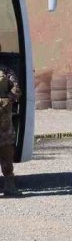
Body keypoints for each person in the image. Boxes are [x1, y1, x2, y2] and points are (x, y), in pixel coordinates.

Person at [0, 46, 22, 197]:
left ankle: (9, 186)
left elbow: (17, 89)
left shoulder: (5, 71)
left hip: (3, 120)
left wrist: (8, 100)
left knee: (6, 152)